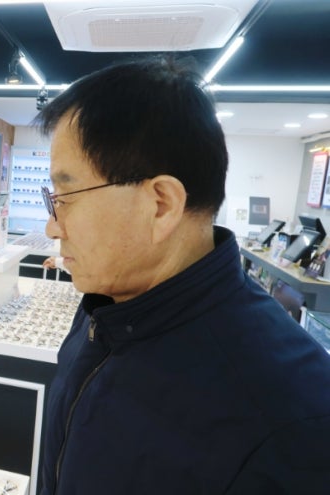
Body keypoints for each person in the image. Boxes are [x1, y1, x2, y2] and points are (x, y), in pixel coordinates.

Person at [36, 57, 330, 494]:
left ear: (161, 205)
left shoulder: (293, 421)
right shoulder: (106, 307)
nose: (52, 226)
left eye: (66, 197)